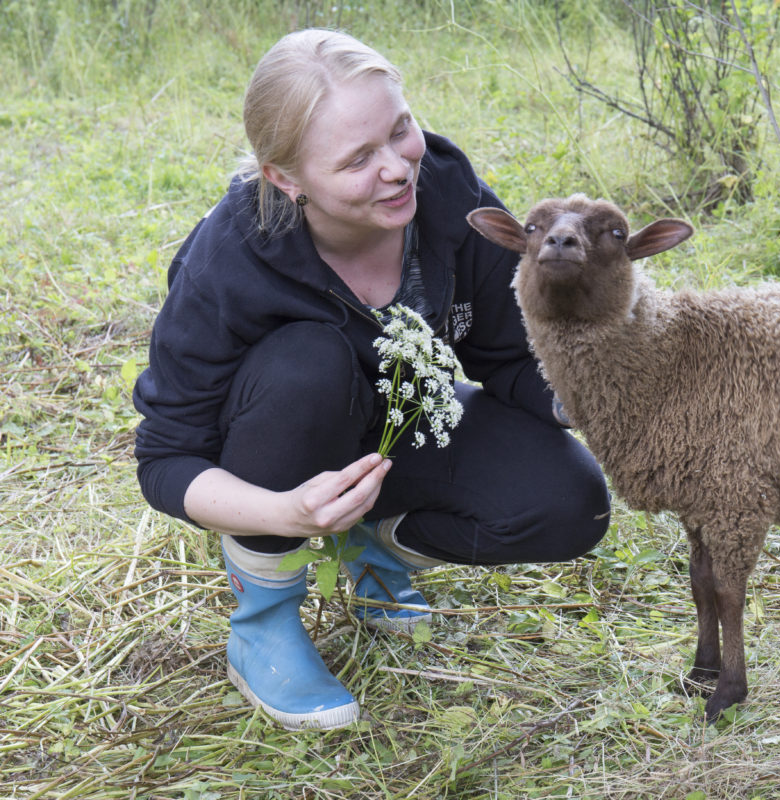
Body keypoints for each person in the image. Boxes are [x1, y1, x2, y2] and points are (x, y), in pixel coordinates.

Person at [133, 28, 611, 730]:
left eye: (400, 130)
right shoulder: (229, 260)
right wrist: (285, 515)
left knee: (574, 504)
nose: (397, 169)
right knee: (308, 362)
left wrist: (596, 400)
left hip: (401, 433)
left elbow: (510, 355)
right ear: (285, 178)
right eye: (358, 158)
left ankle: (373, 541)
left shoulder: (446, 190)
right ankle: (263, 622)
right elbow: (165, 458)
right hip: (279, 456)